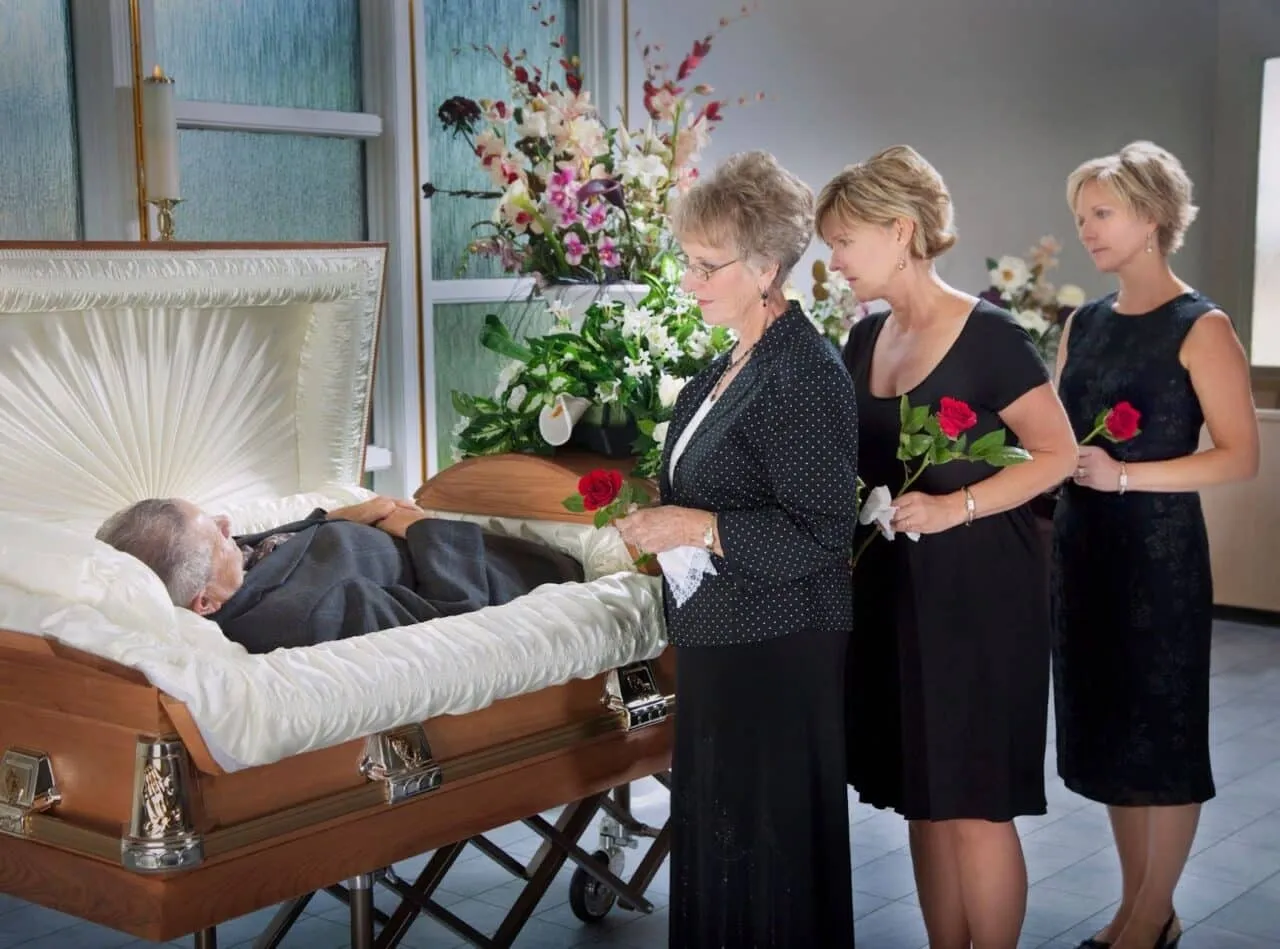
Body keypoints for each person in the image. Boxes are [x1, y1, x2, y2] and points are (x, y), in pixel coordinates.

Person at [816, 145, 1077, 949]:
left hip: (980, 600)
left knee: (972, 806)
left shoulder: (991, 336)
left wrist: (956, 504)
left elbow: (1058, 455)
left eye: (843, 241)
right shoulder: (865, 341)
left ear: (901, 231)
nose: (834, 260)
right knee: (922, 804)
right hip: (893, 602)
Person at [614, 150, 858, 948]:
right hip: (724, 639)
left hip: (779, 651)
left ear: (767, 268)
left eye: (706, 266)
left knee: (768, 856)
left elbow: (824, 536)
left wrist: (691, 527)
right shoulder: (730, 363)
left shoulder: (805, 373)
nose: (690, 282)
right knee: (724, 849)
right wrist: (660, 517)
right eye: (688, 262)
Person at [1053, 141, 1260, 949]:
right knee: (1111, 732)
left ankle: (1147, 917)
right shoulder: (1086, 322)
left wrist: (1125, 479)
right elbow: (1061, 435)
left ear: (1152, 217)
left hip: (1157, 557)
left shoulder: (1202, 326)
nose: (1087, 232)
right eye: (1081, 218)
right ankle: (1142, 908)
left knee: (1161, 732)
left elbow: (1241, 455)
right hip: (1083, 553)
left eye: (1100, 214)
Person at [95, 495, 585, 652]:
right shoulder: (311, 617)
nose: (230, 526)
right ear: (204, 604)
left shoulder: (220, 582)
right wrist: (422, 529)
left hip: (388, 524)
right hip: (499, 570)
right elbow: (459, 623)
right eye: (218, 536)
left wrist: (336, 518)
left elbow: (271, 552)